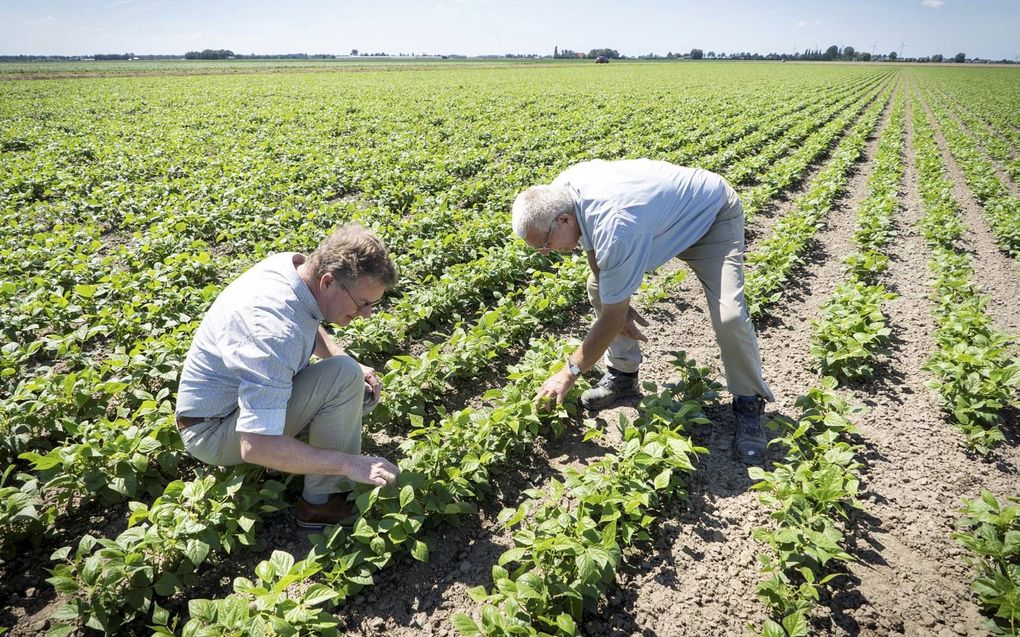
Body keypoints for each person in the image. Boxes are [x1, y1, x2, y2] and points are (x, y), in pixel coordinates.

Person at [511, 159, 775, 465]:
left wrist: (568, 373)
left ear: (564, 220)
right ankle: (623, 374)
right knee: (600, 288)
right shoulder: (560, 194)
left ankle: (748, 401)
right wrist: (614, 296)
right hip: (660, 224)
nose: (545, 252)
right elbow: (591, 246)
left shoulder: (617, 226)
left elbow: (610, 316)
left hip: (710, 218)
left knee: (730, 315)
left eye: (545, 243)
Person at [175, 224, 400, 527]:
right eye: (363, 304)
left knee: (349, 377)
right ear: (328, 281)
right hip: (213, 431)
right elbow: (256, 445)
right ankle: (322, 503)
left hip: (229, 409)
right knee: (343, 380)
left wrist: (340, 357)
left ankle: (291, 458)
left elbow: (306, 316)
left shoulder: (293, 271)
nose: (367, 314)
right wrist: (350, 464)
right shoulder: (273, 332)